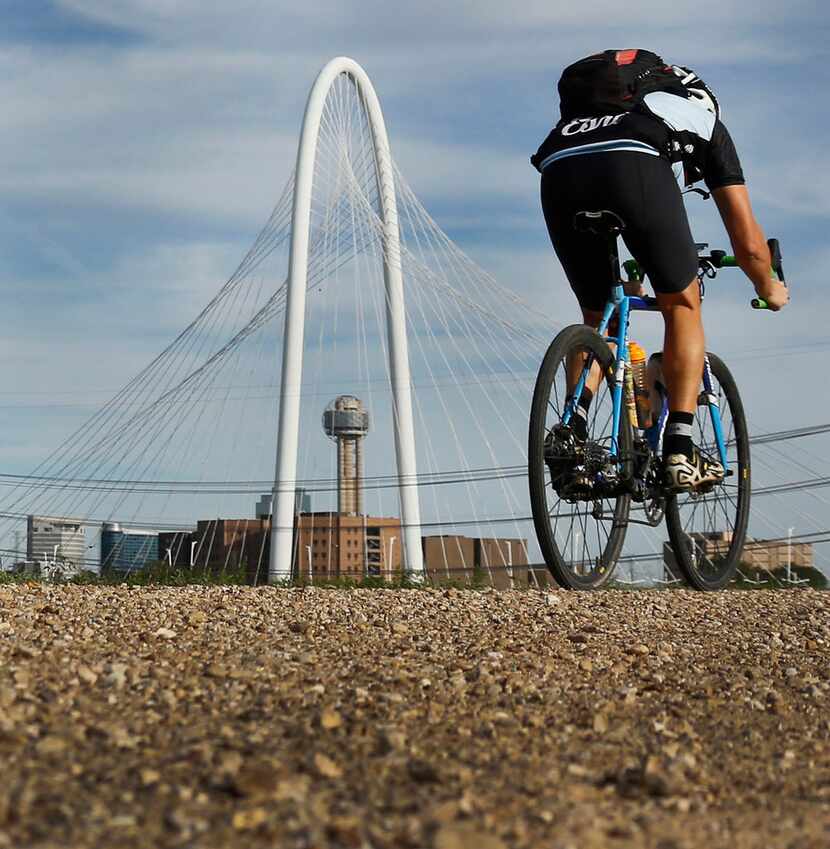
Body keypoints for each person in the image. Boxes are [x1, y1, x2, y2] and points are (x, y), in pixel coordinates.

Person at [532, 49, 789, 490]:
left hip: (558, 169)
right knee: (681, 305)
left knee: (598, 317)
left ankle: (572, 434)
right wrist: (769, 285)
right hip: (630, 167)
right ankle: (680, 449)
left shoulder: (590, 116)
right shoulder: (703, 121)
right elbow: (747, 243)